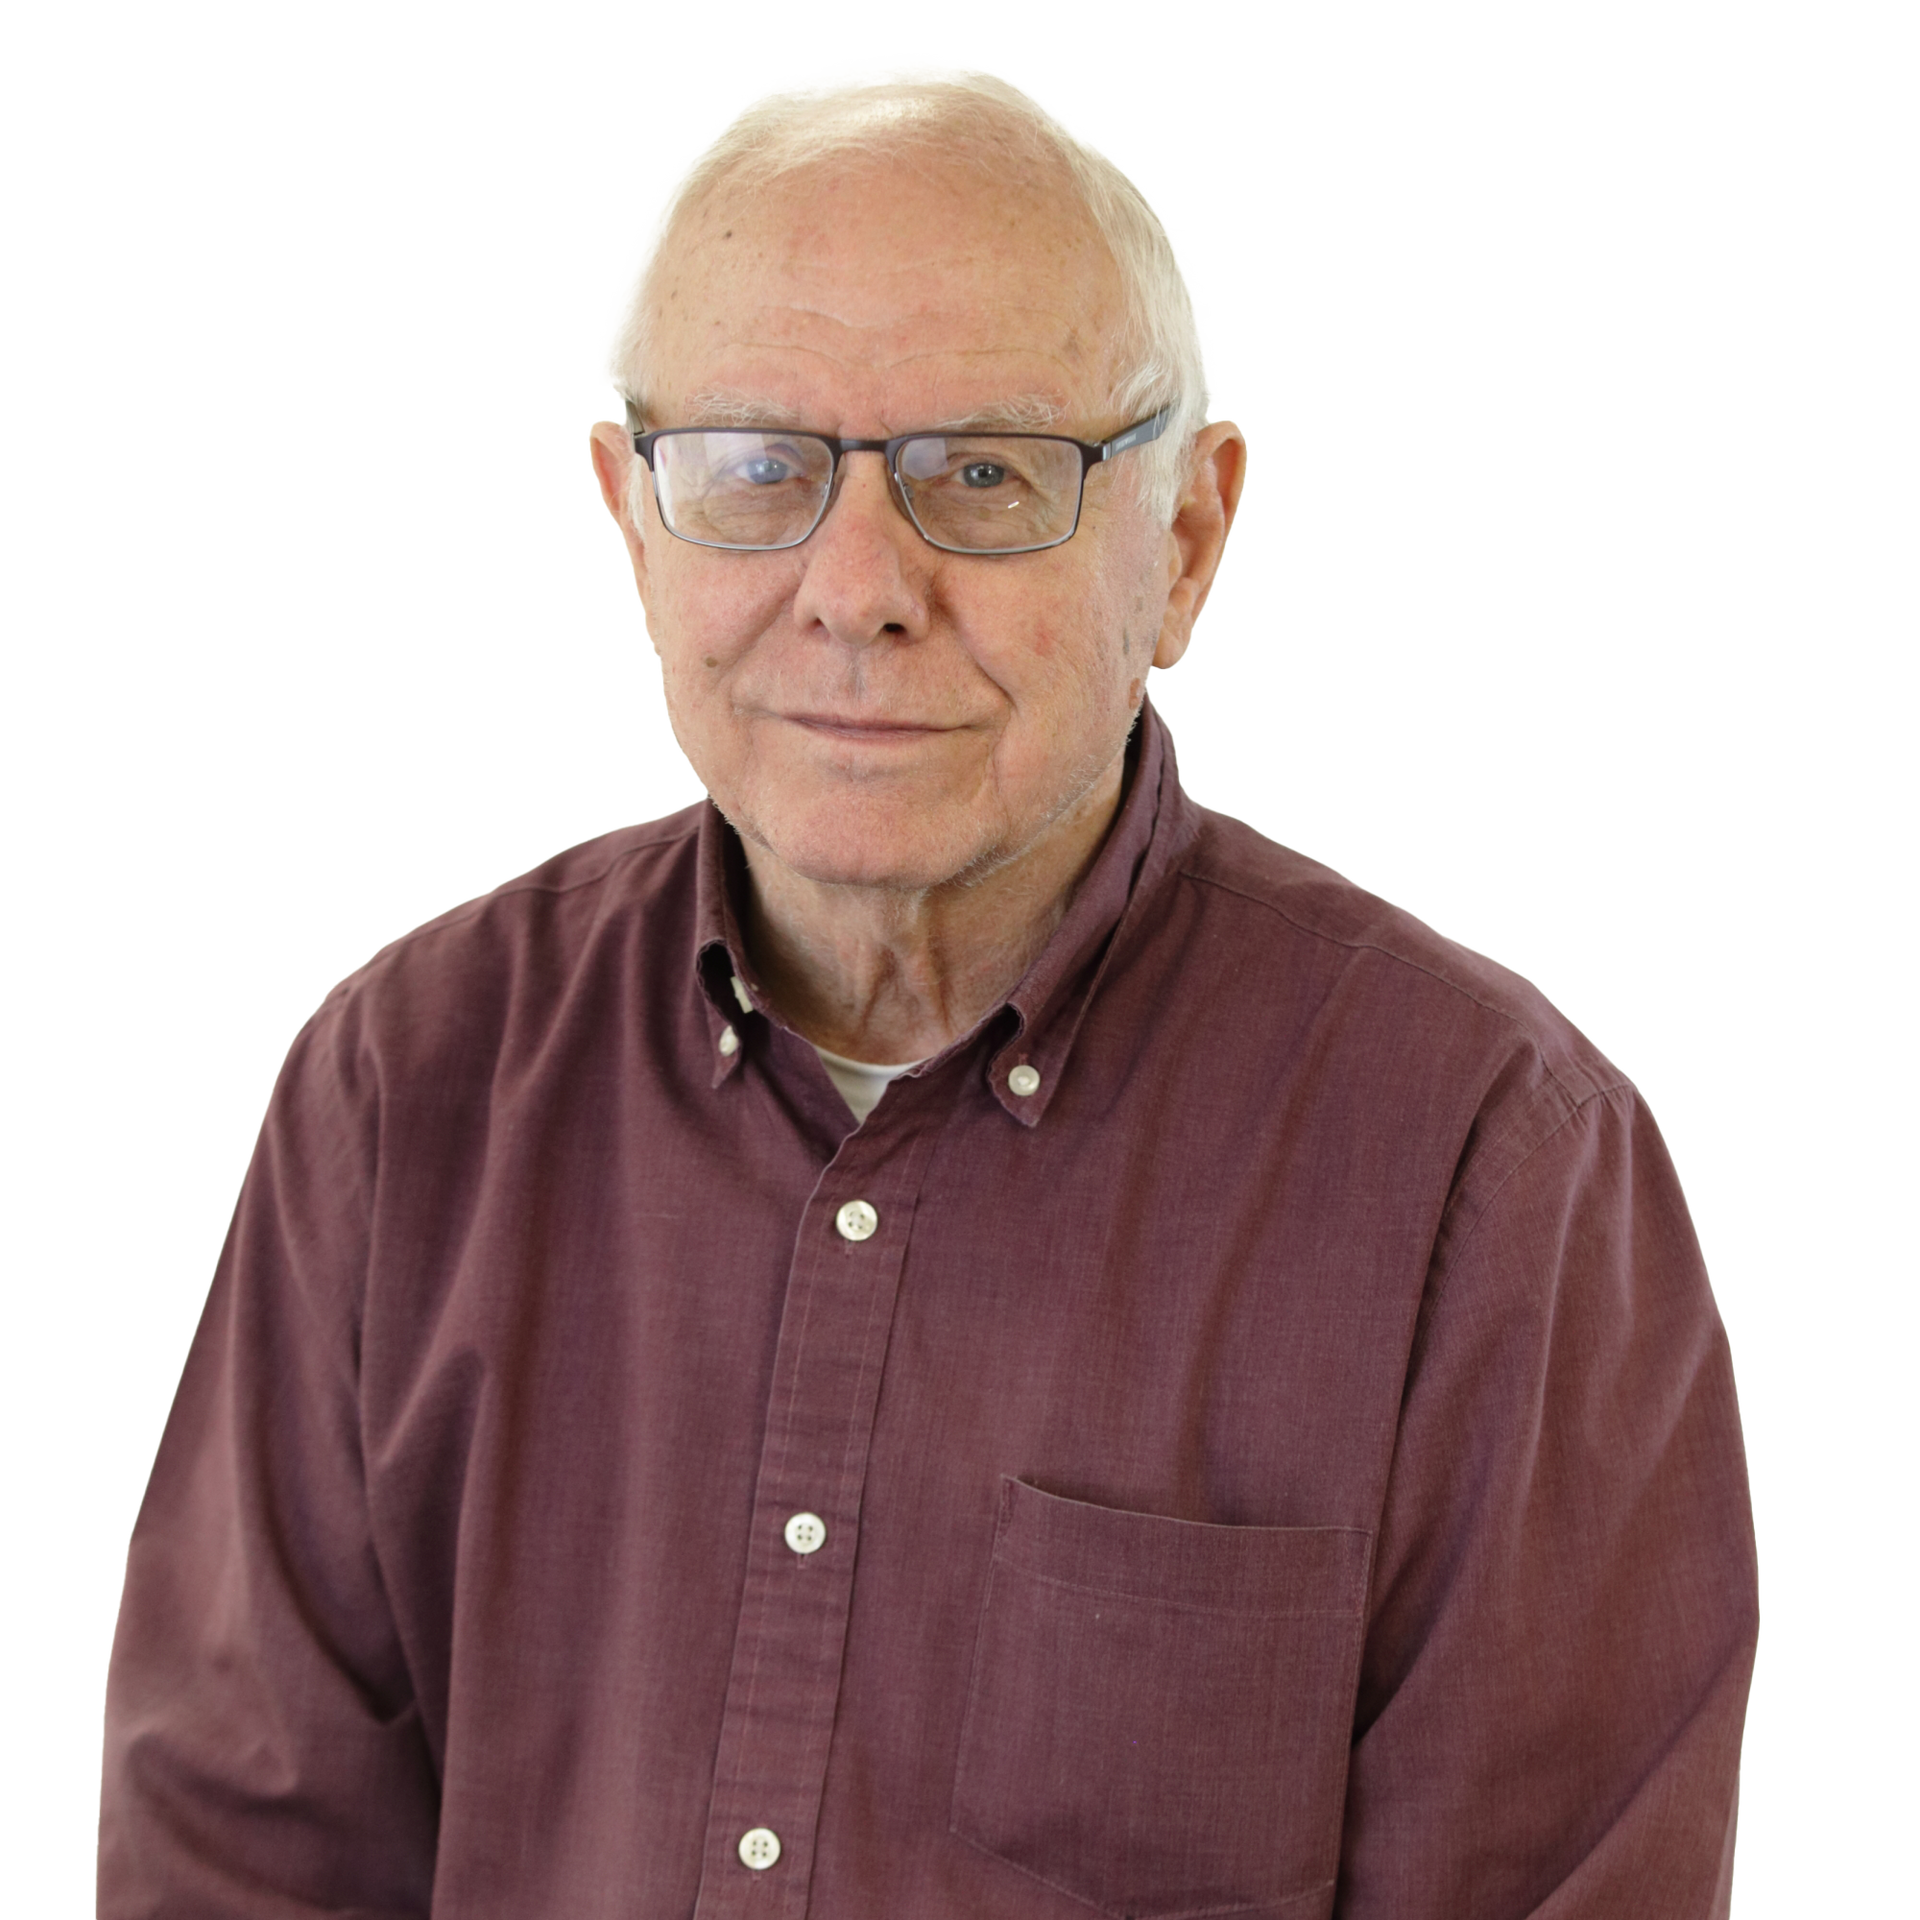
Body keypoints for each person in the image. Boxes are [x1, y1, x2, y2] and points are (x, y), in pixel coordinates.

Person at [96, 52, 1760, 1920]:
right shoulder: (401, 1087)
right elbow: (229, 1874)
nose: (857, 586)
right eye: (755, 471)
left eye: (985, 472)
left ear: (1190, 540)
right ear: (628, 511)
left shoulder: (1496, 1174)